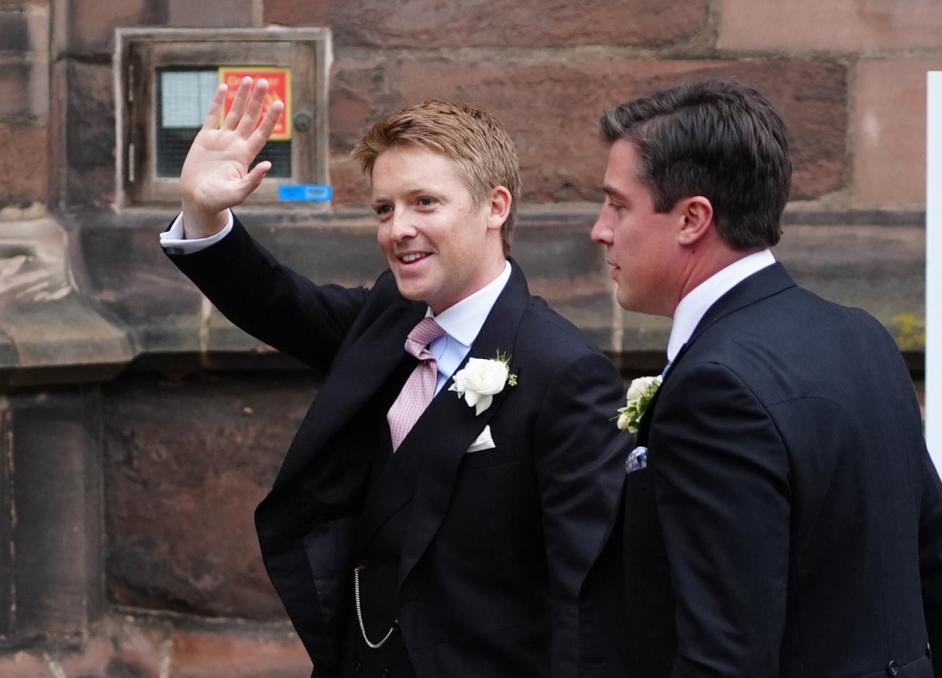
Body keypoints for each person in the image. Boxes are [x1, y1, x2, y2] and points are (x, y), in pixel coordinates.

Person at [161, 77, 629, 678]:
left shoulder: (565, 371)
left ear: (495, 206)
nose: (397, 229)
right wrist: (204, 210)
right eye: (385, 208)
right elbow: (279, 303)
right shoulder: (390, 316)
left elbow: (585, 594)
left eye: (423, 202)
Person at [589, 79, 942, 676]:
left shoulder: (715, 387)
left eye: (617, 204)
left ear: (692, 218)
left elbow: (726, 654)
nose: (600, 230)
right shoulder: (860, 335)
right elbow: (941, 567)